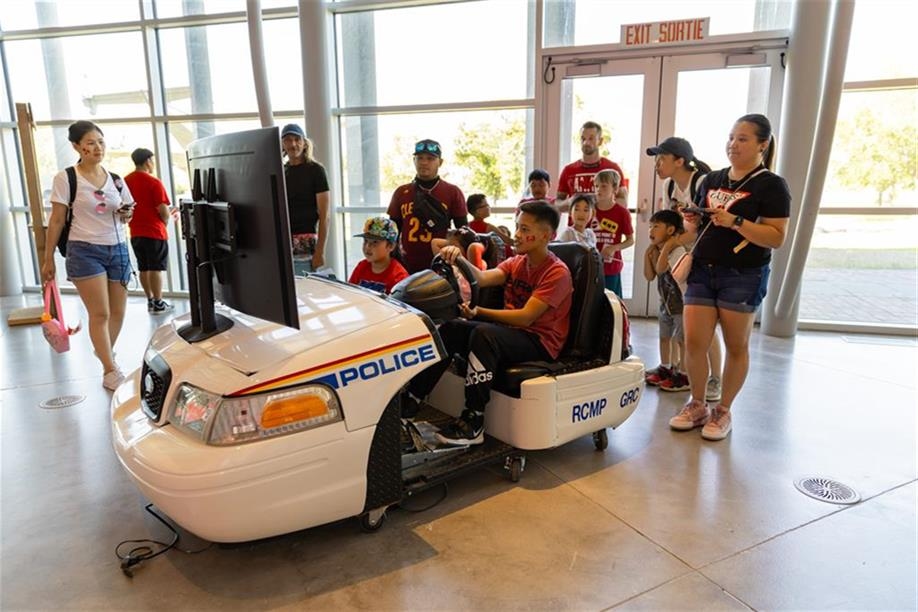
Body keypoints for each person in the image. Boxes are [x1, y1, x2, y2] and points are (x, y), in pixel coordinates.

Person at [410, 200, 573, 445]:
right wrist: (458, 258)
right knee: (451, 328)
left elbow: (526, 317)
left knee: (485, 334)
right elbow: (482, 278)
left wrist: (479, 313)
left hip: (540, 341)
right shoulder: (518, 262)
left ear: (546, 236)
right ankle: (411, 400)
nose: (517, 235)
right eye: (517, 227)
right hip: (513, 334)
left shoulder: (557, 273)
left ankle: (474, 421)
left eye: (525, 230)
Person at [672, 113, 790, 441]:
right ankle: (697, 403)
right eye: (731, 137)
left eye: (743, 139)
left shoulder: (771, 185)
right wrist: (690, 220)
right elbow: (695, 228)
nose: (733, 145)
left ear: (762, 145)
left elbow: (776, 236)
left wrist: (736, 222)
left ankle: (723, 410)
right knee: (694, 340)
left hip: (743, 273)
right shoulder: (713, 179)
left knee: (736, 344)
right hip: (702, 269)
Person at [41, 120, 136, 391]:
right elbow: (57, 220)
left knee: (118, 311)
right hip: (84, 250)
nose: (98, 148)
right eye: (91, 143)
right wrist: (48, 259)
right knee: (101, 313)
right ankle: (109, 368)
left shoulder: (116, 179)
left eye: (101, 142)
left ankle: (104, 351)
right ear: (77, 146)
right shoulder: (66, 178)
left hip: (117, 248)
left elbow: (127, 211)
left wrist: (127, 214)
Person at [645, 136, 723, 401]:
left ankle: (716, 379)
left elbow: (707, 227)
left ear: (680, 160)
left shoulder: (701, 183)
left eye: (661, 159)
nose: (657, 165)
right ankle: (676, 369)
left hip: (705, 261)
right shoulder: (669, 187)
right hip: (681, 262)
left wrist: (670, 245)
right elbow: (673, 226)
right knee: (682, 318)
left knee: (705, 323)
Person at [387, 139, 467, 274]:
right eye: (420, 158)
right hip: (406, 265)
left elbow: (463, 233)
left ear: (440, 162)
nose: (424, 162)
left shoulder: (453, 192)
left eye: (430, 158)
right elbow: (392, 231)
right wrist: (392, 260)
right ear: (414, 161)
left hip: (440, 263)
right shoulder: (401, 192)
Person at [643, 210, 689, 392]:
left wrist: (668, 247)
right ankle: (666, 367)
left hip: (681, 305)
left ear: (670, 230)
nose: (651, 230)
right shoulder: (659, 250)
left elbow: (661, 269)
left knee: (681, 340)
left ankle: (683, 374)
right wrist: (648, 254)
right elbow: (649, 275)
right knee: (664, 337)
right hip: (666, 304)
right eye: (650, 226)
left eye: (656, 226)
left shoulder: (677, 250)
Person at [125, 148, 175, 314]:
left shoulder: (125, 182)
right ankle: (159, 303)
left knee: (144, 267)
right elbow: (163, 210)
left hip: (135, 232)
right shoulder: (154, 182)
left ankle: (150, 300)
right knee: (156, 268)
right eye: (152, 160)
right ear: (147, 161)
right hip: (154, 232)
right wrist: (165, 222)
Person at [281, 123, 330, 275]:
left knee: (305, 294)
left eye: (297, 139)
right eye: (288, 140)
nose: (293, 144)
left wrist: (320, 252)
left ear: (304, 143)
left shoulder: (316, 170)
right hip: (284, 244)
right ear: (283, 144)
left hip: (307, 247)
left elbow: (324, 216)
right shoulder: (281, 171)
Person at [556, 121, 628, 211]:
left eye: (591, 138)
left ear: (600, 141)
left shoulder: (613, 168)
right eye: (583, 138)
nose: (586, 143)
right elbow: (558, 203)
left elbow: (623, 201)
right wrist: (571, 201)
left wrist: (601, 202)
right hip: (577, 224)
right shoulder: (568, 170)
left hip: (604, 224)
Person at [592, 169, 633, 298]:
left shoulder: (622, 213)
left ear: (615, 189)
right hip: (591, 266)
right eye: (596, 186)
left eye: (604, 186)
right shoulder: (589, 209)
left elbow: (630, 240)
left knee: (611, 304)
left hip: (611, 267)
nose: (599, 189)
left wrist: (614, 248)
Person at [347, 216, 408, 294]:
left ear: (391, 246)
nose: (367, 246)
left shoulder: (399, 276)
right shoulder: (362, 266)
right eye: (365, 241)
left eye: (375, 242)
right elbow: (350, 293)